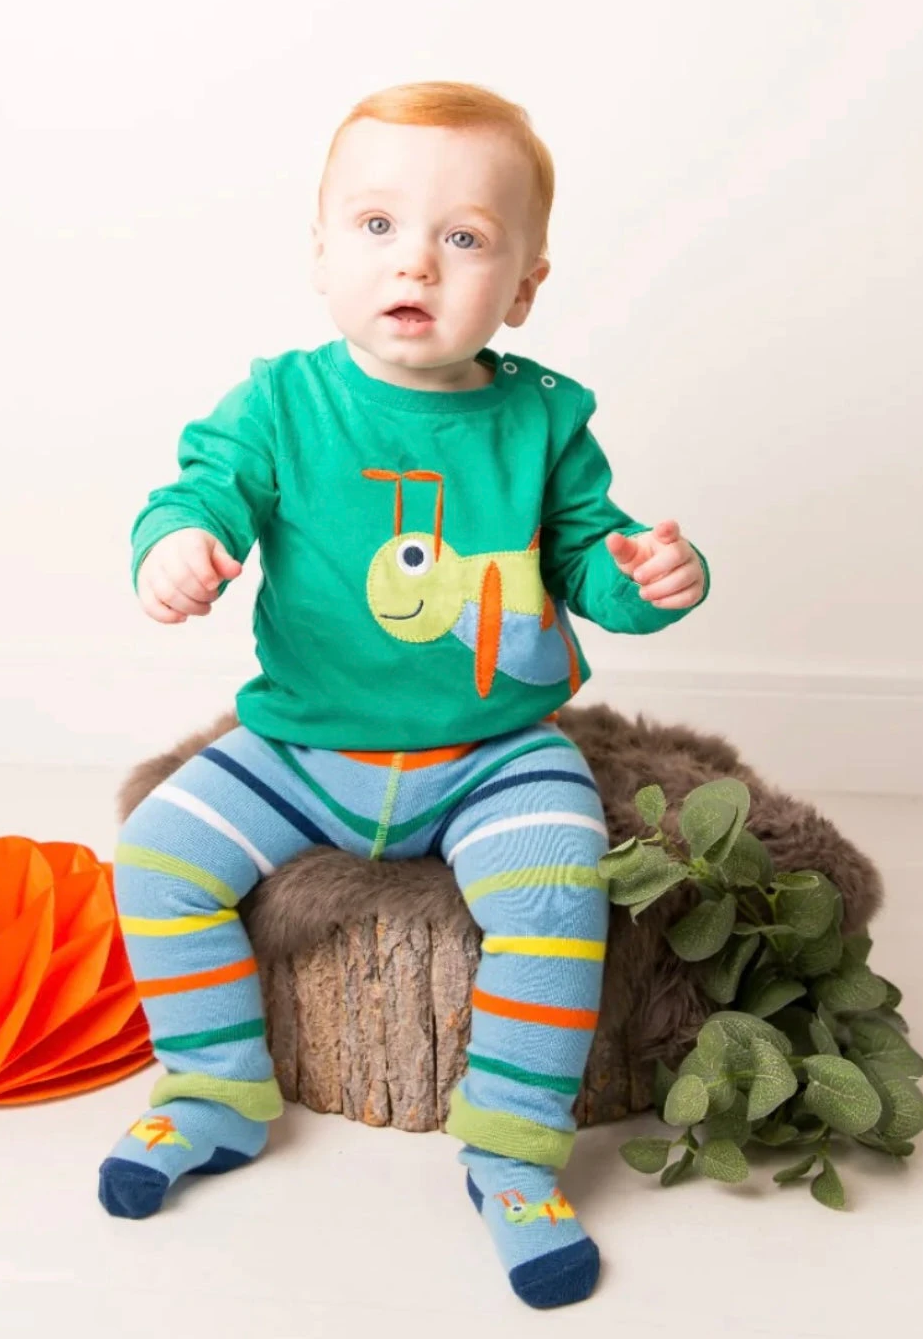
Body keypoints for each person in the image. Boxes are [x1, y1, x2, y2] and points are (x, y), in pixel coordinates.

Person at [101, 80, 710, 1310]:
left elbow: (589, 555)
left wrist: (649, 577)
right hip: (303, 746)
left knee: (555, 882)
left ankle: (512, 1146)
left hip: (492, 747)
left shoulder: (541, 418)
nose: (414, 261)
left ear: (523, 286)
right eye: (376, 225)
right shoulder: (282, 401)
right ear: (321, 252)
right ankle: (214, 1088)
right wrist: (178, 544)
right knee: (159, 854)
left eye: (464, 237)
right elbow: (199, 489)